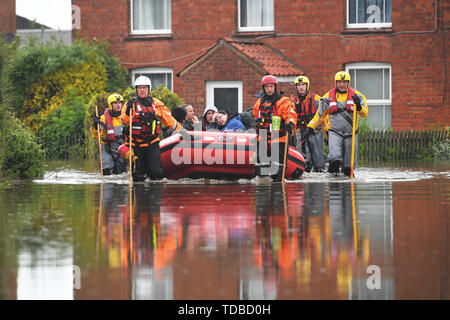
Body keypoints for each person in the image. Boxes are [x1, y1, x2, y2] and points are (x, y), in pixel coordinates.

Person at [303, 71, 368, 176]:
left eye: (344, 82)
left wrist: (359, 107)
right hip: (334, 132)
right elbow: (319, 115)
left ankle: (346, 181)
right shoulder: (327, 97)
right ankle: (333, 182)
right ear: (335, 83)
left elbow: (365, 113)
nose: (342, 85)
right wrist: (310, 127)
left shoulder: (358, 96)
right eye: (339, 82)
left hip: (351, 133)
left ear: (348, 83)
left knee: (348, 166)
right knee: (334, 158)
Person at [122, 76, 182, 182]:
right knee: (138, 176)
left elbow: (169, 120)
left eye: (144, 87)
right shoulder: (130, 105)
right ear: (136, 89)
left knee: (156, 173)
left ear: (148, 89)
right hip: (136, 145)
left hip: (152, 143)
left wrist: (182, 132)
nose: (142, 90)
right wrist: (128, 112)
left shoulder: (157, 104)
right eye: (139, 88)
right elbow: (124, 122)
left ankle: (154, 196)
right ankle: (139, 194)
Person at [252, 75, 297, 181]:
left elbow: (291, 115)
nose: (269, 89)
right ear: (263, 88)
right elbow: (255, 115)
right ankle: (263, 191)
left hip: (278, 137)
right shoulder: (259, 102)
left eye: (271, 86)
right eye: (266, 87)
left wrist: (289, 124)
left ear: (275, 87)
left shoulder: (284, 102)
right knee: (260, 168)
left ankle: (277, 190)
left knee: (278, 168)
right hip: (262, 138)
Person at [292, 75, 325, 173]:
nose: (301, 87)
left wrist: (326, 131)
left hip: (315, 132)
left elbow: (323, 115)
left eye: (303, 85)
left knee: (319, 164)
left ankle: (319, 170)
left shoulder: (317, 99)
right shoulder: (292, 102)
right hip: (300, 132)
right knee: (304, 162)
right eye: (299, 85)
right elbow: (291, 117)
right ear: (296, 87)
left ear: (307, 86)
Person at [92, 93, 127, 175]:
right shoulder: (103, 118)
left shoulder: (125, 118)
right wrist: (95, 125)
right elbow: (96, 136)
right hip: (107, 148)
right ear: (110, 105)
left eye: (120, 103)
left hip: (120, 149)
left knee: (120, 173)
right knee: (106, 172)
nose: (118, 105)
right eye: (115, 103)